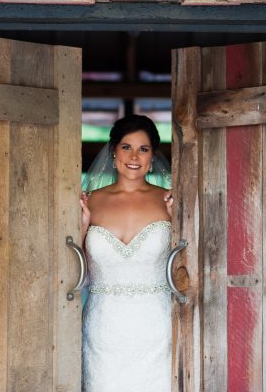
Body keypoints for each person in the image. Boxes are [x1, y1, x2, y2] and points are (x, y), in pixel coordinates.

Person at [79, 115, 173, 392]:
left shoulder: (170, 200)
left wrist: (181, 221)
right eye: (126, 147)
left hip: (156, 327)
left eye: (143, 149)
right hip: (103, 329)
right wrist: (82, 229)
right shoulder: (89, 202)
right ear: (113, 151)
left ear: (153, 156)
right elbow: (74, 277)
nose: (134, 156)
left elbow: (189, 261)